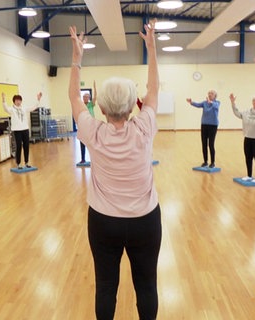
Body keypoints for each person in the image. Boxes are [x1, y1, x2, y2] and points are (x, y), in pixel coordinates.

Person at [68, 20, 161, 320]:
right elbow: (154, 88)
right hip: (145, 221)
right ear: (133, 106)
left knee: (106, 286)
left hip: (103, 222)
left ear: (102, 109)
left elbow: (73, 97)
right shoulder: (144, 126)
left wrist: (76, 59)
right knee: (146, 285)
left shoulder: (93, 131)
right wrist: (151, 48)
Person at [1, 91, 42, 169]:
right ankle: (18, 163)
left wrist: (38, 100)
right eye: (16, 100)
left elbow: (33, 108)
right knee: (19, 146)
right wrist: (3, 100)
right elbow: (5, 108)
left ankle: (26, 162)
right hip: (17, 130)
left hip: (25, 129)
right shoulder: (11, 109)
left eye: (19, 100)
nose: (18, 102)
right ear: (14, 101)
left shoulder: (24, 108)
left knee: (26, 146)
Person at [186, 90, 220, 167]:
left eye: (211, 94)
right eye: (209, 93)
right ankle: (205, 161)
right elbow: (198, 105)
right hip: (204, 125)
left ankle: (212, 162)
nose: (210, 95)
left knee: (211, 144)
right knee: (204, 143)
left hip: (213, 125)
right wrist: (191, 102)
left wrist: (210, 102)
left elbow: (216, 106)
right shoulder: (204, 103)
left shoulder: (217, 103)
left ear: (215, 96)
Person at [78, 82, 96, 164]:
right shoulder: (81, 104)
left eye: (86, 97)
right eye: (84, 97)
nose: (85, 98)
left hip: (90, 125)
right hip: (83, 125)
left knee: (92, 143)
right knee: (82, 142)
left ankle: (94, 159)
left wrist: (95, 87)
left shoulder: (91, 104)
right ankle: (83, 159)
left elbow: (95, 97)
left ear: (89, 98)